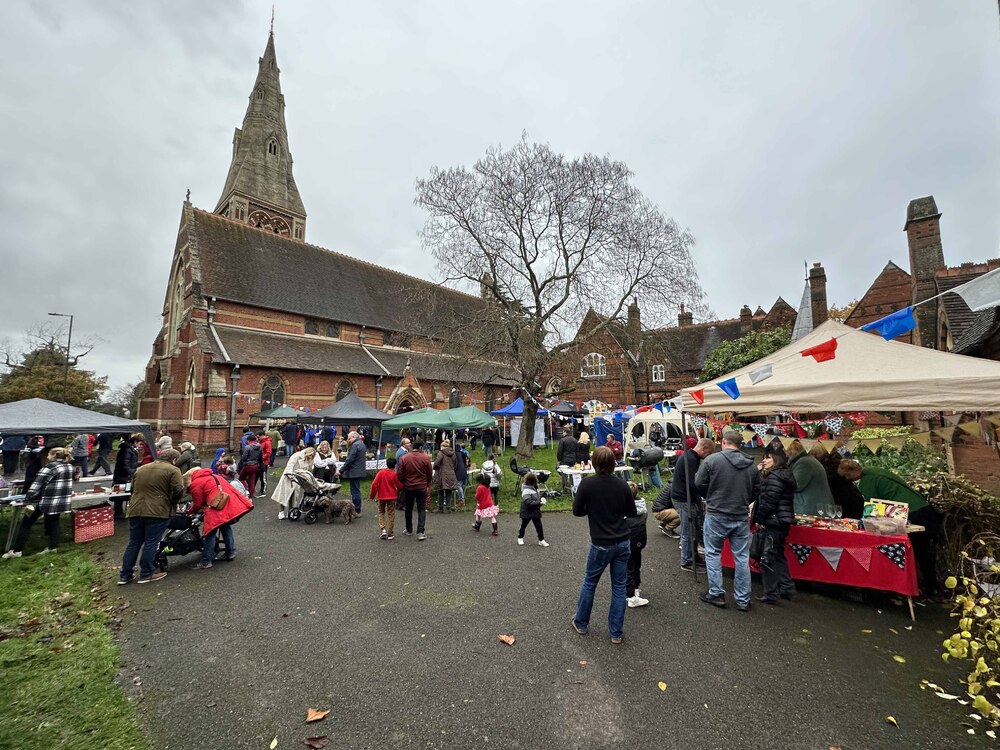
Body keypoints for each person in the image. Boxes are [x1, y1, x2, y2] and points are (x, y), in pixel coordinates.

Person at [839, 460, 942, 594]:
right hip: (924, 508)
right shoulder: (875, 470)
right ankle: (929, 585)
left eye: (847, 476)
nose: (848, 480)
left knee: (912, 550)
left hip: (912, 512)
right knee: (924, 551)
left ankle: (911, 585)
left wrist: (862, 523)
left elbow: (871, 509)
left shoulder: (867, 481)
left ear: (852, 472)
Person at [571, 446, 636, 644]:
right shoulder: (623, 485)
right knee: (619, 586)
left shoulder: (587, 485)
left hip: (600, 543)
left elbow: (577, 511)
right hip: (623, 541)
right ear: (613, 463)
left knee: (590, 582)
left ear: (594, 463)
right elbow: (631, 512)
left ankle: (581, 623)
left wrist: (593, 510)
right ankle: (616, 633)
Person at [694, 430, 760, 611]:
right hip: (740, 515)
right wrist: (745, 501)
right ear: (740, 444)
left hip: (717, 513)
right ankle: (743, 599)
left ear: (723, 442)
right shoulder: (751, 466)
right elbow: (756, 490)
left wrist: (711, 496)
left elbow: (699, 483)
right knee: (741, 557)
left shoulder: (712, 461)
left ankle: (716, 593)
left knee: (713, 553)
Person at [117, 448, 184, 584]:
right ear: (174, 459)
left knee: (134, 543)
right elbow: (178, 490)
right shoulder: (173, 470)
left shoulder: (141, 468)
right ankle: (146, 573)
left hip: (136, 509)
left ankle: (125, 574)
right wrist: (173, 501)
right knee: (151, 542)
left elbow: (133, 488)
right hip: (157, 511)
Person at [2, 447, 74, 560]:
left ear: (54, 455)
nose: (47, 457)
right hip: (60, 501)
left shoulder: (50, 467)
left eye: (49, 455)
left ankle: (17, 551)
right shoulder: (69, 466)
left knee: (26, 522)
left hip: (44, 501)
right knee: (54, 523)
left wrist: (28, 497)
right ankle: (52, 547)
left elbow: (37, 484)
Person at [185, 466, 253, 569]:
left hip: (214, 509)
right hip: (226, 506)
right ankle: (230, 552)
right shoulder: (215, 476)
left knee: (210, 533)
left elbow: (198, 504)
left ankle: (206, 561)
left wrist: (190, 511)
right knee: (225, 528)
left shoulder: (196, 483)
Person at [753, 447, 797, 604]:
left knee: (768, 557)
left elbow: (769, 502)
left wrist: (759, 519)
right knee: (778, 555)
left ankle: (771, 593)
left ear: (776, 460)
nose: (764, 460)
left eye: (768, 458)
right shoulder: (784, 475)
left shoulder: (774, 477)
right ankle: (787, 588)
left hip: (773, 521)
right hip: (782, 521)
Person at [668, 437, 715, 570]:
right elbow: (693, 483)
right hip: (683, 498)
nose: (708, 457)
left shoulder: (690, 456)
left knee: (692, 529)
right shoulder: (691, 459)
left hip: (683, 496)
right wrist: (705, 495)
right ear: (703, 448)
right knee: (688, 531)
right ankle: (687, 561)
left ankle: (693, 556)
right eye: (709, 453)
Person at [396, 439, 434, 541]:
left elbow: (399, 473)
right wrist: (427, 483)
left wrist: (404, 482)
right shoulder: (425, 458)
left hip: (409, 487)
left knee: (409, 508)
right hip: (421, 486)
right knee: (421, 509)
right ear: (421, 448)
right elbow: (429, 473)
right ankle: (421, 532)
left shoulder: (404, 458)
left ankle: (409, 529)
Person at [786, 441, 834, 516]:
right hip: (817, 505)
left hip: (810, 507)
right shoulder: (808, 460)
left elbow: (796, 484)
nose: (787, 455)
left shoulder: (804, 462)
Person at [272, 446, 316, 519]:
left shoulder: (309, 459)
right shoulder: (296, 456)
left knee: (294, 496)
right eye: (310, 455)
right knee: (284, 495)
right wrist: (290, 474)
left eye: (312, 456)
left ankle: (291, 511)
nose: (310, 457)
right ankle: (281, 512)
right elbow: (290, 465)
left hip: (298, 479)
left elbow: (308, 470)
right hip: (288, 478)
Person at [625, 481, 649, 608]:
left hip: (626, 541)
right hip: (639, 541)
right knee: (636, 565)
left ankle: (630, 594)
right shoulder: (642, 508)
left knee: (628, 566)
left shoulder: (623, 509)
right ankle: (635, 587)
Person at [370, 456, 402, 540]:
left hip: (381, 496)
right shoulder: (394, 474)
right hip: (392, 497)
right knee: (391, 514)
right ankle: (390, 533)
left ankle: (383, 529)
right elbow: (399, 485)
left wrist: (372, 495)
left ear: (386, 464)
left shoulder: (381, 473)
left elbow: (374, 484)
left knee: (381, 512)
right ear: (394, 465)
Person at [517, 472, 549, 546]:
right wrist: (539, 502)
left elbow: (536, 498)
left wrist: (541, 498)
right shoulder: (526, 491)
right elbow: (528, 502)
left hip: (535, 510)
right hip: (527, 511)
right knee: (523, 525)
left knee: (539, 526)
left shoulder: (535, 488)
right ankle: (520, 537)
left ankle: (541, 539)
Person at [339, 430, 366, 515]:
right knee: (356, 491)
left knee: (355, 492)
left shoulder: (355, 445)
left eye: (349, 438)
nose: (348, 440)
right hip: (358, 471)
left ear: (354, 437)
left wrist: (341, 470)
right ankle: (357, 509)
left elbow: (350, 459)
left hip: (354, 472)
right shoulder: (361, 444)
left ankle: (356, 511)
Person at [432, 439, 459, 513]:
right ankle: (448, 508)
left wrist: (434, 467)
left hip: (442, 474)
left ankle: (440, 508)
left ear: (443, 446)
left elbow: (437, 463)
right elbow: (455, 464)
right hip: (451, 473)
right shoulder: (453, 453)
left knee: (440, 491)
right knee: (449, 491)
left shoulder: (441, 453)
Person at [556, 427, 579, 493]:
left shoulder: (562, 440)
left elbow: (560, 451)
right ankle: (573, 487)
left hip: (565, 459)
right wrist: (577, 460)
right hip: (573, 459)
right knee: (572, 474)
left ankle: (565, 488)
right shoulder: (575, 440)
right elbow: (577, 451)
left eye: (563, 432)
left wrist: (559, 460)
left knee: (564, 474)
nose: (562, 433)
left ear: (565, 432)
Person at [257, 431, 273, 496]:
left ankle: (263, 490)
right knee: (259, 476)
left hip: (264, 462)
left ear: (262, 435)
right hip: (260, 461)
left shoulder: (267, 443)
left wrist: (261, 458)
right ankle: (261, 489)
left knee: (263, 477)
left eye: (258, 437)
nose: (258, 439)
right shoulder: (261, 442)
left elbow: (268, 453)